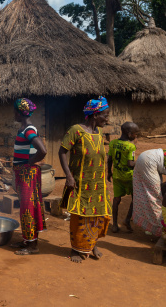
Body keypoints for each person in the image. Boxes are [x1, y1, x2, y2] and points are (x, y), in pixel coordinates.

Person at [58, 96, 112, 263]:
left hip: (98, 184)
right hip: (80, 182)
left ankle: (91, 244)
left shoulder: (100, 132)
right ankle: (76, 248)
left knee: (98, 215)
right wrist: (68, 175)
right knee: (79, 215)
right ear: (95, 115)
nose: (107, 118)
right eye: (105, 114)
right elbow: (62, 152)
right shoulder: (76, 130)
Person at [10, 98, 47, 255]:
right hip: (23, 173)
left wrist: (28, 162)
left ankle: (33, 246)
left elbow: (42, 150)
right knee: (26, 207)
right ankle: (28, 240)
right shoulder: (24, 129)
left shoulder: (29, 130)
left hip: (28, 173)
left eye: (15, 112)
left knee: (28, 208)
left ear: (20, 113)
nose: (14, 114)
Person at [107, 122, 139, 233]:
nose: (136, 136)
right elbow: (130, 163)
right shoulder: (131, 146)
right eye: (135, 134)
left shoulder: (113, 143)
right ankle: (127, 219)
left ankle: (114, 225)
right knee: (135, 198)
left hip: (116, 176)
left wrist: (109, 173)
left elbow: (109, 159)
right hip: (129, 177)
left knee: (116, 199)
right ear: (129, 134)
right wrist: (139, 161)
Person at [132, 148, 166, 237]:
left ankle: (150, 226)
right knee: (155, 198)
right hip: (149, 162)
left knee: (144, 193)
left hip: (146, 157)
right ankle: (159, 229)